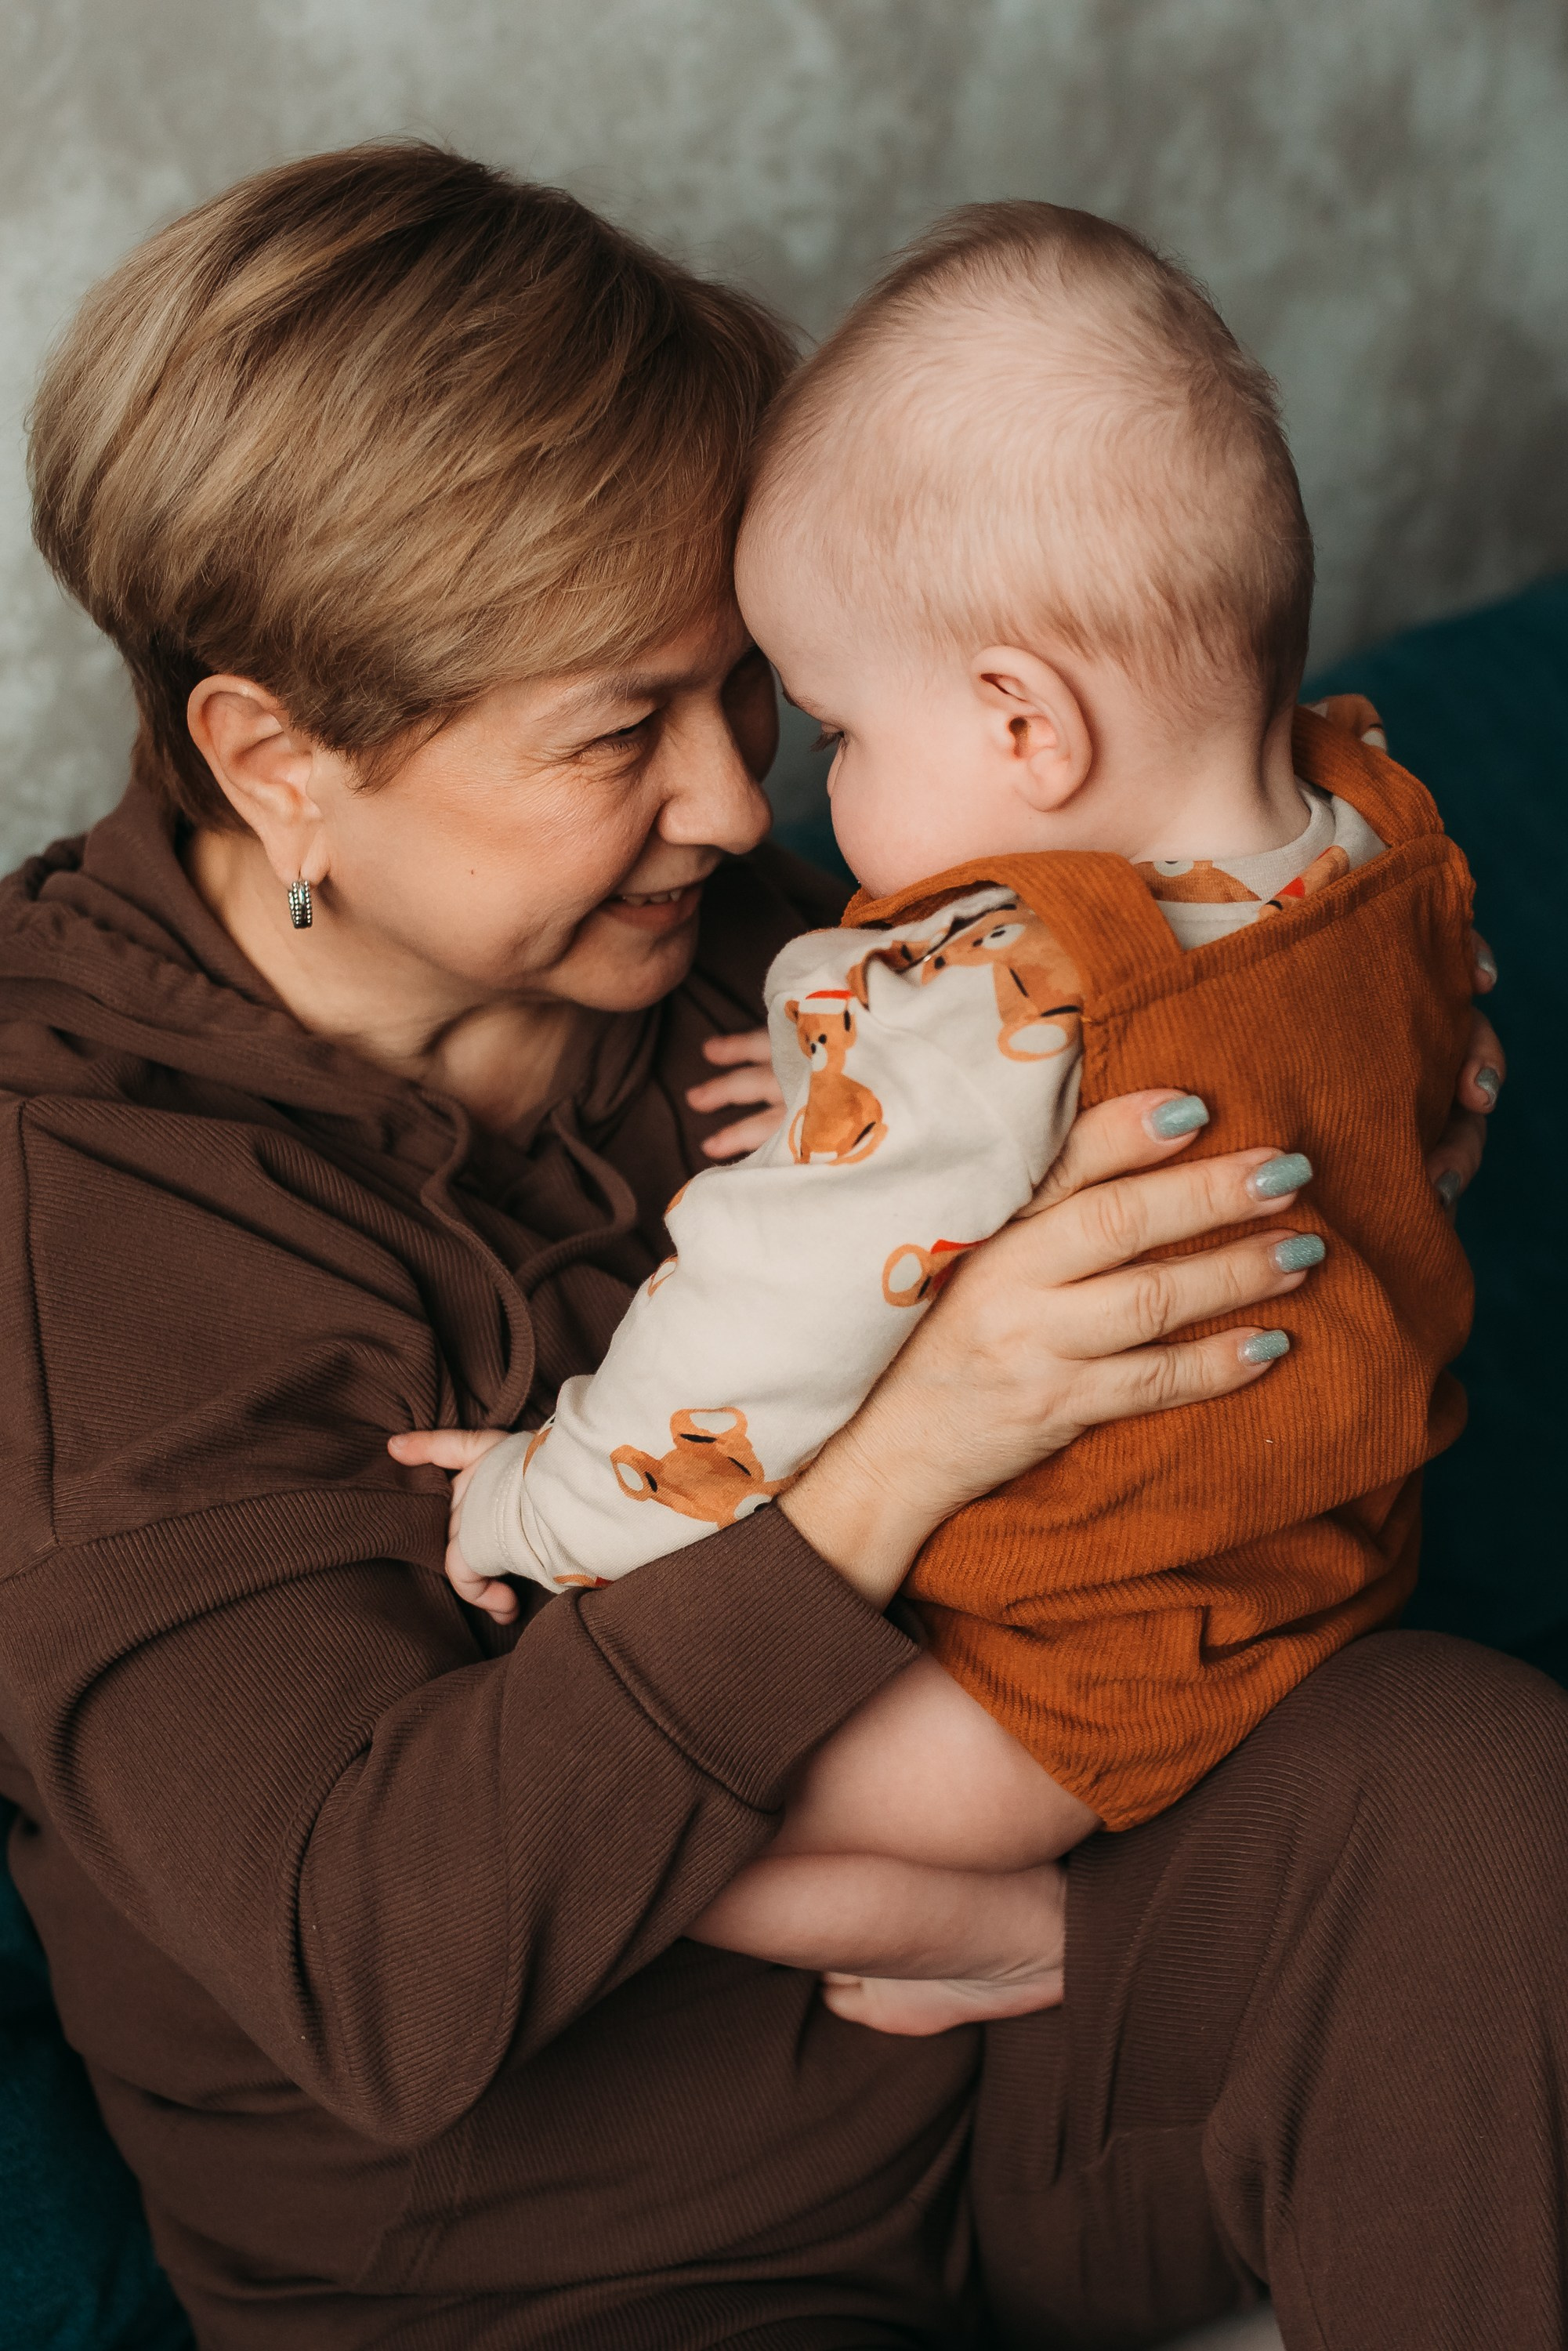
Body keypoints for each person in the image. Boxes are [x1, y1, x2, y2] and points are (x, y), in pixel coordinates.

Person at [0, 143, 1551, 2351]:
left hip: (1003, 2068)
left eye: (746, 701)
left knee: (1473, 1799)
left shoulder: (720, 936)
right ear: (280, 758)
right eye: (623, 730)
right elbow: (377, 1972)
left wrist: (1341, 1125)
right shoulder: (76, 1221)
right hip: (600, 2273)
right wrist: (908, 1458)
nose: (746, 813)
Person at [395, 205, 1476, 2038]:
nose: (781, 798)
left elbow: (762, 1327)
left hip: (1057, 1674)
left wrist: (543, 1495)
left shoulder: (997, 991)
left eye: (828, 731)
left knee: (646, 1846)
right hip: (1332, 1559)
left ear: (1017, 724)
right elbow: (1412, 1084)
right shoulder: (1378, 832)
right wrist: (855, 1082)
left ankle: (1040, 1941)